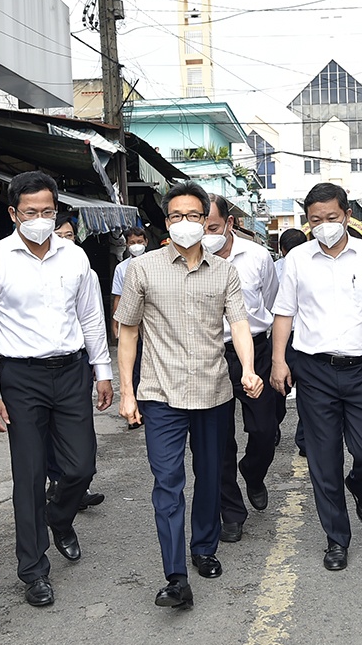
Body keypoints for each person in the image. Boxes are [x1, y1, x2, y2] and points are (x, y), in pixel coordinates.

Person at [116, 183, 263, 611]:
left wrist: (249, 370)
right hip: (160, 394)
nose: (185, 223)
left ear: (206, 220)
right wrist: (128, 392)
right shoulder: (142, 270)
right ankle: (175, 575)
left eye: (193, 216)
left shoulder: (224, 271)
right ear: (167, 222)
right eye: (177, 216)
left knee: (210, 475)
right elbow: (128, 331)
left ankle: (204, 547)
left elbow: (238, 324)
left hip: (213, 391)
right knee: (167, 482)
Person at [0, 173, 113, 610]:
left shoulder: (75, 258)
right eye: (31, 212)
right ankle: (33, 570)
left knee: (80, 465)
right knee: (29, 476)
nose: (40, 220)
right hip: (20, 377)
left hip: (72, 372)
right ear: (13, 213)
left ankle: (60, 516)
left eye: (48, 212)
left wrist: (102, 370)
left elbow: (91, 318)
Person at [270, 182, 362, 571]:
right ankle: (337, 538)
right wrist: (278, 361)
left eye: (332, 218)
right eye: (316, 220)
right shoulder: (298, 259)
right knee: (323, 459)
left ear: (347, 215)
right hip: (313, 371)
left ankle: (361, 487)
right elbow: (284, 313)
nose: (324, 226)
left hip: (360, 370)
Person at [202, 195, 284, 543]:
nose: (206, 235)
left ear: (230, 224)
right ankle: (231, 511)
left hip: (256, 349)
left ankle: (253, 472)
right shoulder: (187, 259)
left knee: (266, 429)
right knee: (218, 441)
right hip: (209, 354)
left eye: (213, 227)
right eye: (200, 227)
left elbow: (272, 303)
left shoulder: (257, 257)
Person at [48, 218, 106, 513]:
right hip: (34, 368)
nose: (65, 239)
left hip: (76, 362)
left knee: (79, 437)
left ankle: (72, 487)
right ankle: (57, 483)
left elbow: (92, 319)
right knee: (47, 435)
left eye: (70, 234)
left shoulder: (83, 269)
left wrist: (100, 366)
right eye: (60, 234)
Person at [112, 225, 149, 429]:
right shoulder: (121, 268)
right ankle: (134, 411)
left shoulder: (155, 264)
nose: (136, 246)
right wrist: (115, 325)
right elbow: (117, 297)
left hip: (149, 326)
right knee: (132, 369)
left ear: (146, 242)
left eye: (139, 242)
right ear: (126, 244)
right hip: (130, 325)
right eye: (132, 243)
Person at [277, 227, 309, 454]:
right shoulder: (312, 265)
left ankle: (274, 428)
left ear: (281, 249)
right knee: (307, 392)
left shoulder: (276, 267)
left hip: (288, 339)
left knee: (279, 388)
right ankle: (304, 439)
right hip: (301, 338)